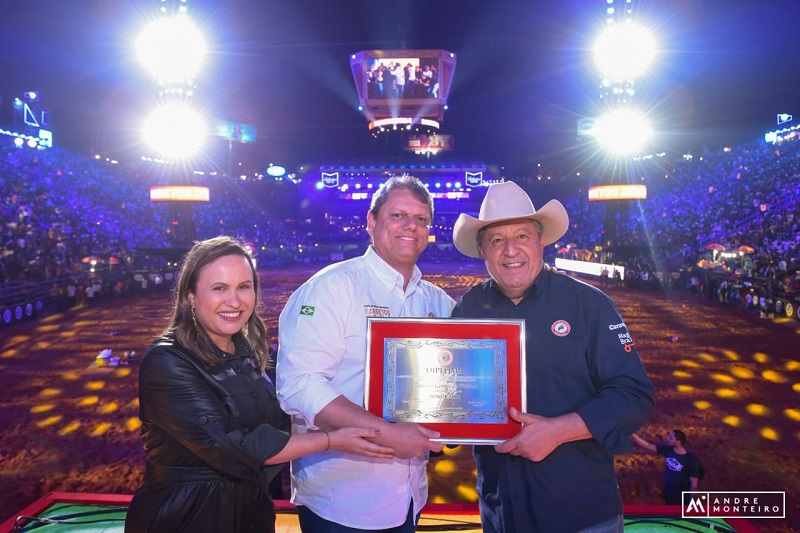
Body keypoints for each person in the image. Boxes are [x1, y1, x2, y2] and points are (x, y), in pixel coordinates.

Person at [125, 236, 392, 533]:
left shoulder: (252, 351)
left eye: (244, 286)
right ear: (190, 296)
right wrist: (333, 439)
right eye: (219, 288)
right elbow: (235, 447)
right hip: (186, 517)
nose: (235, 301)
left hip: (251, 514)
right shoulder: (166, 361)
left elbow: (289, 410)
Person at [450, 181, 655, 532]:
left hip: (580, 513)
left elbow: (634, 397)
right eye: (497, 240)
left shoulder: (589, 304)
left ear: (540, 240)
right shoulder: (468, 309)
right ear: (483, 249)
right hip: (502, 513)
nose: (511, 250)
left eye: (522, 236)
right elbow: (453, 397)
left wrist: (558, 431)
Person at [277, 176, 454, 532]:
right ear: (372, 221)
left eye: (421, 219)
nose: (411, 226)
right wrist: (388, 435)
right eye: (398, 215)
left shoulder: (438, 302)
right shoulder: (332, 287)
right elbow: (299, 386)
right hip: (342, 501)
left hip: (409, 497)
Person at [630, 429, 700, 505]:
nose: (668, 439)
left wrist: (692, 500)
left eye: (671, 438)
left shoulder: (690, 460)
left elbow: (694, 483)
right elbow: (648, 446)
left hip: (681, 499)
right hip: (668, 495)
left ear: (678, 442)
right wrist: (633, 435)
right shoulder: (668, 450)